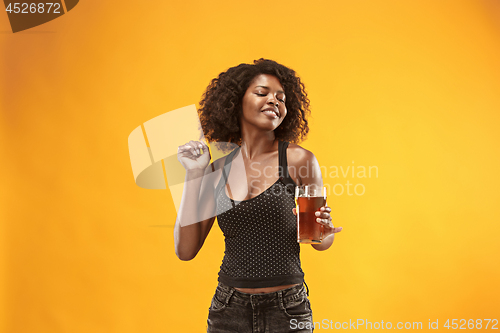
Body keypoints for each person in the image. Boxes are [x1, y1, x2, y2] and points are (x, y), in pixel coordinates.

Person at [174, 59, 342, 332]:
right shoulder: (217, 169)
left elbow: (320, 240)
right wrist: (194, 174)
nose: (274, 101)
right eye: (262, 93)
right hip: (228, 310)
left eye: (281, 97)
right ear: (235, 102)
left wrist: (325, 230)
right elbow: (185, 250)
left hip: (287, 309)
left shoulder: (299, 160)